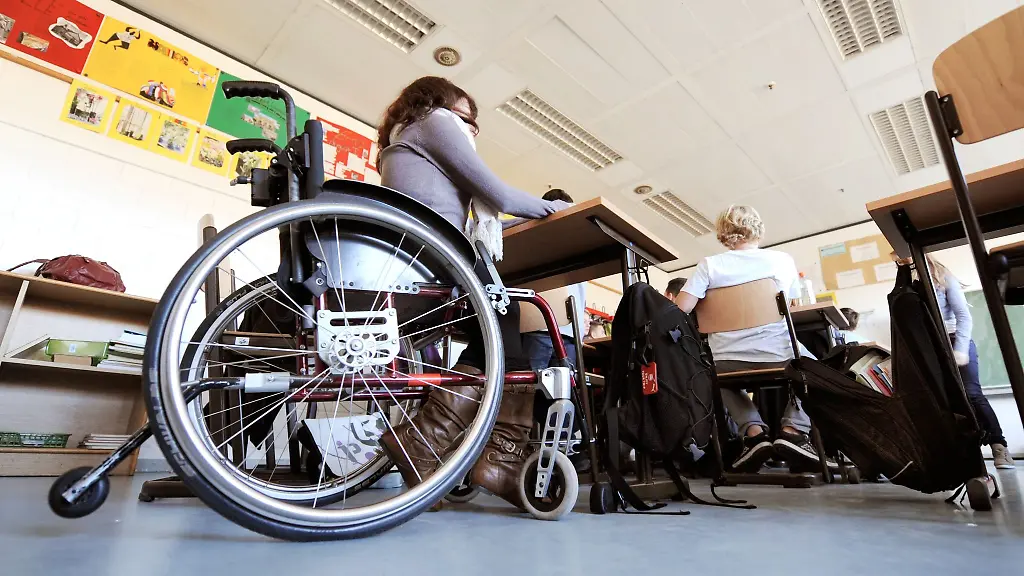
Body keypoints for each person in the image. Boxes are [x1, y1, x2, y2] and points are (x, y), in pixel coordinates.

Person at [375, 76, 571, 509]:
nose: (470, 127)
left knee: (499, 331)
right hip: (436, 258)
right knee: (503, 324)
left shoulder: (403, 138)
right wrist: (555, 209)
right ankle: (479, 453)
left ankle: (428, 439)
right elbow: (497, 193)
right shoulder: (434, 119)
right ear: (438, 101)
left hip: (417, 257)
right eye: (468, 116)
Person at [673, 205, 821, 472]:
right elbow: (790, 304)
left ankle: (754, 433)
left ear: (723, 233)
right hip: (778, 355)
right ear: (758, 228)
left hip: (726, 359)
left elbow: (680, 308)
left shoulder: (709, 265)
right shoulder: (781, 260)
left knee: (719, 379)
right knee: (820, 373)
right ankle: (793, 430)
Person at [926, 255, 1014, 469]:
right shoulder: (910, 283)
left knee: (972, 394)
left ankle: (999, 446)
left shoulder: (943, 278)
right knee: (944, 401)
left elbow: (964, 316)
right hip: (933, 346)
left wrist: (960, 349)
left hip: (956, 340)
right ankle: (961, 454)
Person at [520, 189, 587, 371]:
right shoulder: (580, 245)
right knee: (565, 393)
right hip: (571, 334)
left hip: (538, 326)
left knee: (530, 389)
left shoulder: (533, 241)